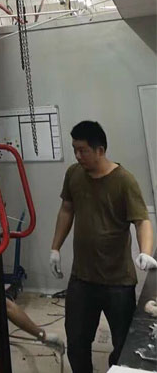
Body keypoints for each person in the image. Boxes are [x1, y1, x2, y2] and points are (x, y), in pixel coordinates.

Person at [50, 120, 156, 373]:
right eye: (74, 149)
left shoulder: (124, 181)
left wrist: (145, 251)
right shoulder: (74, 174)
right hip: (82, 278)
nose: (77, 156)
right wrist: (55, 248)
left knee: (124, 344)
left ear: (100, 150)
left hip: (117, 282)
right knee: (77, 340)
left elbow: (141, 220)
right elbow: (67, 209)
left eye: (83, 150)